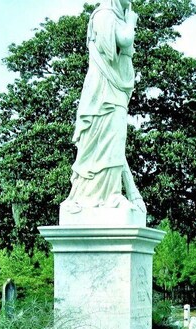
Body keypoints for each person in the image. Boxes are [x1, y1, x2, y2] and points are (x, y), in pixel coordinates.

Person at [63, 0, 146, 215]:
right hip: (102, 92)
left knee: (115, 141)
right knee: (107, 140)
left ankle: (112, 193)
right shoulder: (104, 15)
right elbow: (123, 40)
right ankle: (107, 195)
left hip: (114, 89)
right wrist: (131, 21)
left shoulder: (115, 16)